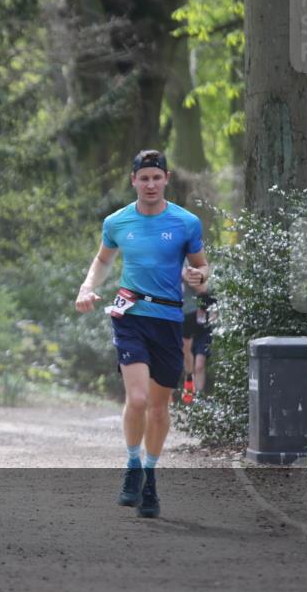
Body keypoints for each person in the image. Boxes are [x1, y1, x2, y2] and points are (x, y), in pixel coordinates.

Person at [75, 149, 209, 518]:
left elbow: (201, 268)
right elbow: (103, 259)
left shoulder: (186, 223)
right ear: (133, 181)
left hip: (167, 319)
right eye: (143, 178)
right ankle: (133, 465)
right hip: (130, 314)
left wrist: (199, 277)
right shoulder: (117, 222)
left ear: (166, 179)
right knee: (136, 400)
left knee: (159, 407)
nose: (150, 184)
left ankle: (150, 476)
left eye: (156, 177)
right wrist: (87, 287)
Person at [182, 281, 216, 400]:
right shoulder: (185, 304)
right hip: (189, 336)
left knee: (199, 366)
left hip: (203, 335)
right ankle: (190, 391)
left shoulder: (206, 296)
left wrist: (210, 319)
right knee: (189, 366)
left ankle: (199, 398)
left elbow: (215, 312)